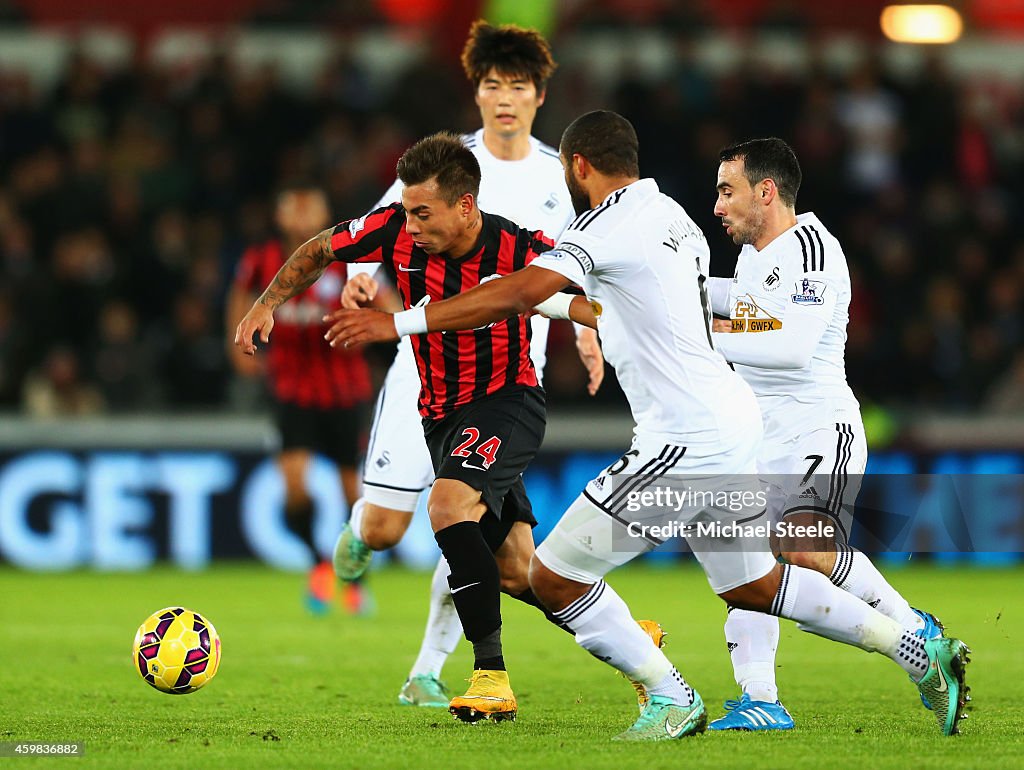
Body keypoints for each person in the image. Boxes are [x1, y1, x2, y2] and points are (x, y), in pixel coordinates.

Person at [323, 111, 971, 741]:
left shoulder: (603, 227)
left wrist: (400, 322)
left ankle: (669, 693)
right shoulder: (672, 220)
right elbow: (605, 297)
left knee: (553, 577)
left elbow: (526, 291)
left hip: (683, 441)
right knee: (752, 582)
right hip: (734, 423)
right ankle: (915, 647)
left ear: (579, 167)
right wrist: (577, 316)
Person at [235, 133, 650, 725]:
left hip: (508, 402)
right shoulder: (398, 230)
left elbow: (583, 292)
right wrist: (265, 303)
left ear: (465, 207)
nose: (411, 224)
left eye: (422, 212)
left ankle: (489, 677)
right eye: (407, 211)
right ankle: (633, 639)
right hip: (440, 415)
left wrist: (604, 327)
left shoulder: (518, 246)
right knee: (515, 570)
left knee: (448, 507)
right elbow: (322, 248)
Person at [331, 19, 606, 709]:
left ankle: (429, 667)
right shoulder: (442, 164)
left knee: (463, 511)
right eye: (492, 85)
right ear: (476, 93)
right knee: (390, 529)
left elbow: (582, 274)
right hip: (424, 372)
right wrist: (358, 281)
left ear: (541, 96)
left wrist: (589, 334)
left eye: (519, 86)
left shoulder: (561, 178)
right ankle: (361, 529)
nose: (504, 98)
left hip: (508, 379)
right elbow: (371, 239)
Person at [705, 138, 945, 730]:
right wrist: (670, 288)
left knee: (803, 550)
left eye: (726, 191)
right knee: (745, 570)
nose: (717, 206)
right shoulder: (757, 254)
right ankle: (761, 699)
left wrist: (696, 338)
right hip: (758, 435)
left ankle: (913, 629)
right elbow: (746, 306)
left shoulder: (810, 248)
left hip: (816, 428)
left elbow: (788, 347)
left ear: (767, 192)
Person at [226, 183, 373, 613]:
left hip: (346, 390)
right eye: (295, 208)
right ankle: (317, 565)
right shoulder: (261, 262)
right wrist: (235, 341)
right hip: (291, 389)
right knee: (294, 488)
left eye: (312, 209)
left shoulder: (350, 259)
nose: (304, 216)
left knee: (354, 493)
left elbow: (387, 298)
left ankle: (354, 580)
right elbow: (240, 297)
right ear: (281, 216)